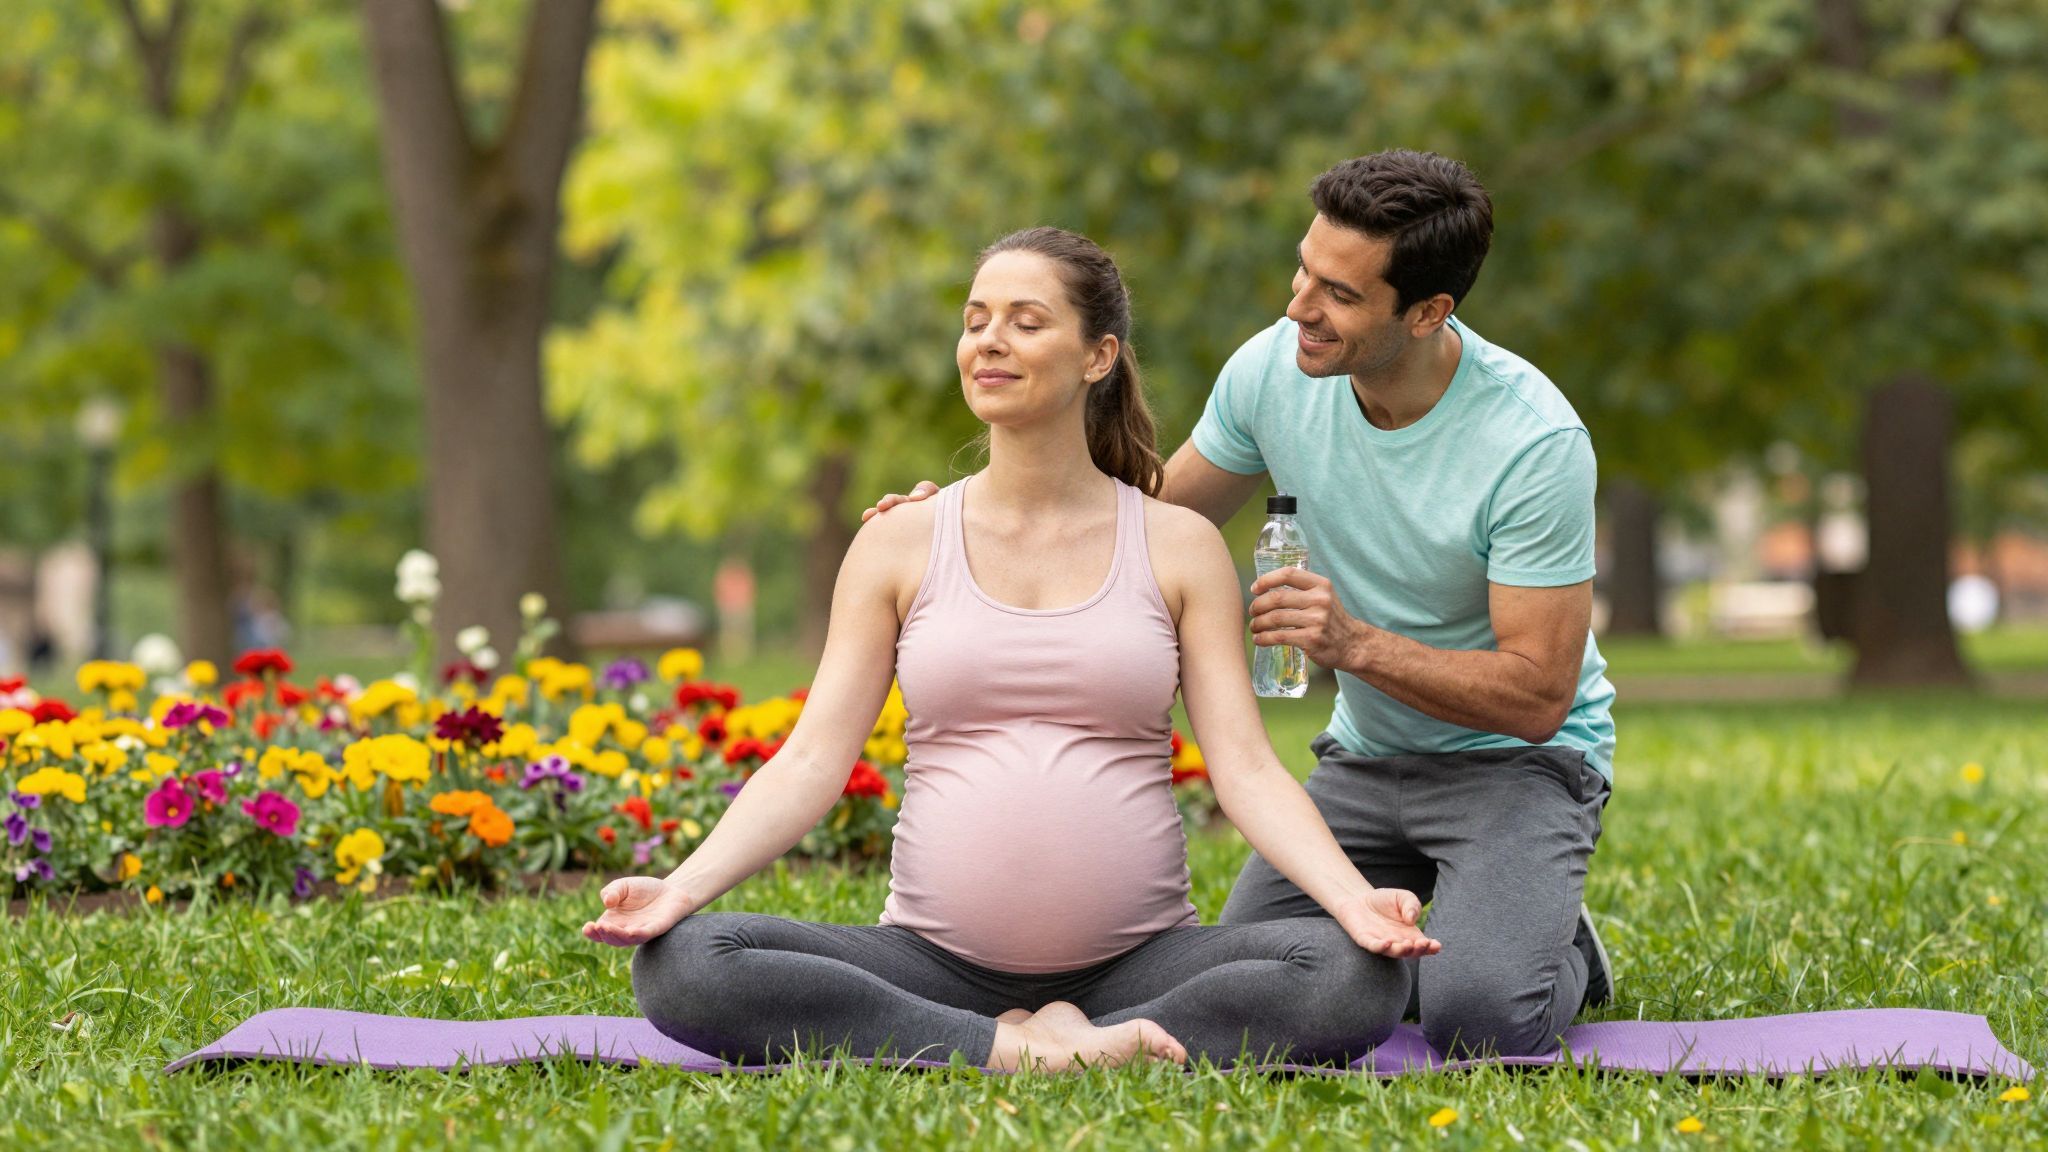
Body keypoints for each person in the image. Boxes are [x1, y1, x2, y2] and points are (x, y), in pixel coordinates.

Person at [584, 227, 1440, 1072]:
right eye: (975, 319)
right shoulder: (898, 542)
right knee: (685, 964)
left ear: (1098, 356)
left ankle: (1081, 1032)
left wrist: (1353, 901)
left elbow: (1248, 768)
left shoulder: (1178, 546)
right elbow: (811, 759)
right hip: (930, 964)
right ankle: (1023, 1050)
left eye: (1027, 322)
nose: (989, 339)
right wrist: (683, 888)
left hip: (1139, 965)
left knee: (1354, 976)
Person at [866, 151, 1617, 1060]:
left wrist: (1357, 646)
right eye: (1304, 269)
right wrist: (960, 521)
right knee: (1234, 972)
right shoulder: (1275, 369)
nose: (1300, 305)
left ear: (1426, 313)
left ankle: (1558, 944)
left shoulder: (1532, 442)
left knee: (1484, 1019)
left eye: (1338, 293)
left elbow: (1540, 698)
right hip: (1371, 762)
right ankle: (1487, 922)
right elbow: (1143, 513)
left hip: (1519, 767)